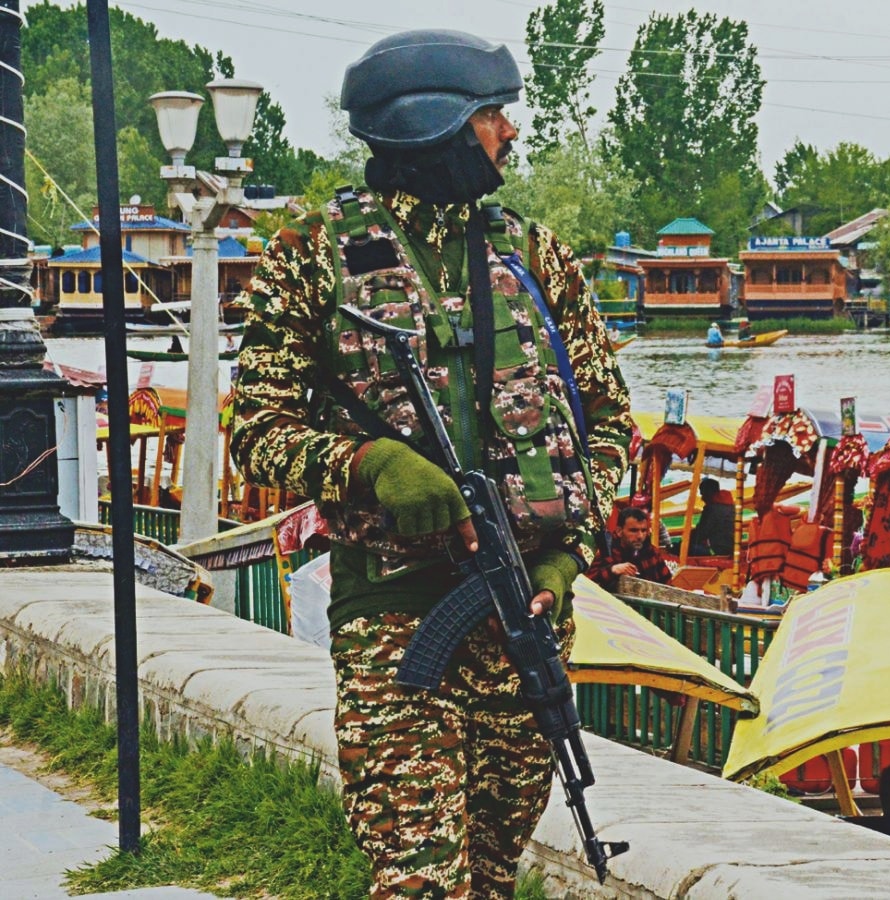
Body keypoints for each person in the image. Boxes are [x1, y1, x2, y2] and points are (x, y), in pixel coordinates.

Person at [228, 29, 632, 898]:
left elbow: (611, 429)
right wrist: (370, 464)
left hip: (525, 615)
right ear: (434, 125)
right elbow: (255, 430)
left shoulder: (535, 258)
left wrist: (568, 557)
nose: (508, 135)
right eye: (493, 116)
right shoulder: (311, 256)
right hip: (395, 618)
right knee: (421, 883)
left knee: (488, 878)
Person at [587, 506, 673, 592]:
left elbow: (669, 587)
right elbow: (584, 581)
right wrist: (612, 570)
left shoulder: (653, 553)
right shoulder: (605, 550)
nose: (640, 536)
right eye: (634, 530)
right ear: (619, 531)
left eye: (643, 530)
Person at [689, 476, 736, 557]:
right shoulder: (730, 507)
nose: (702, 498)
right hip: (731, 549)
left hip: (716, 551)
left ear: (709, 493)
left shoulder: (712, 509)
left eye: (703, 494)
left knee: (686, 549)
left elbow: (701, 533)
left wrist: (686, 539)